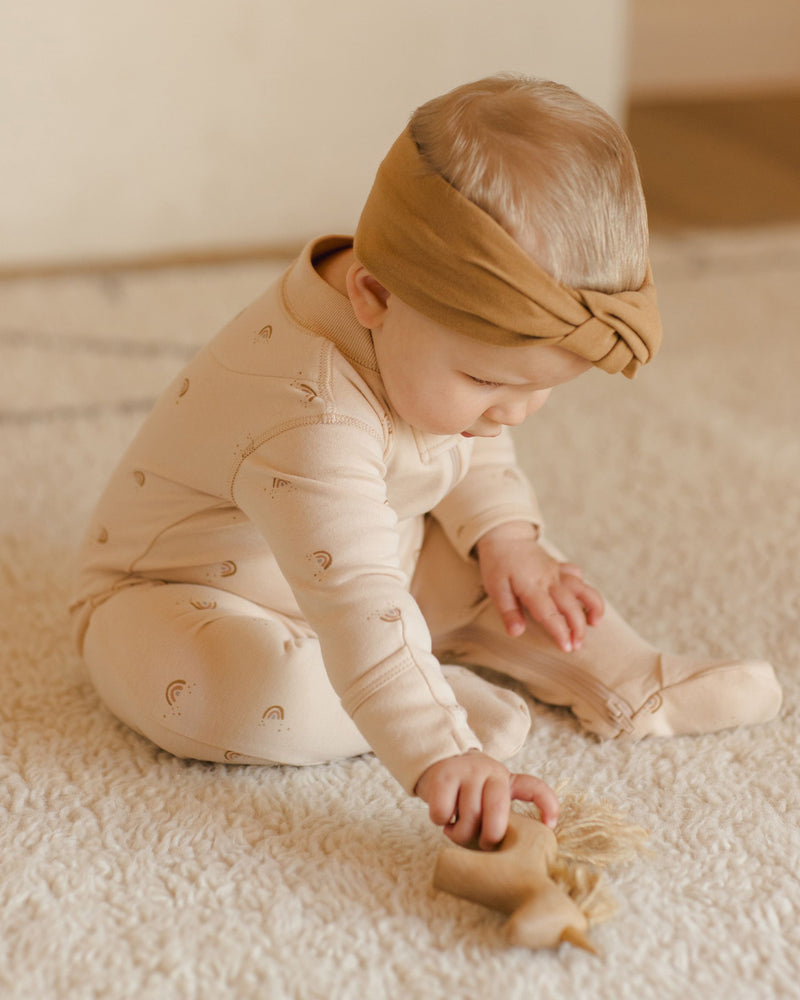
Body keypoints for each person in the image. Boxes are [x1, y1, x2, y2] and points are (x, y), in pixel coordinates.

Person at [70, 75, 782, 851]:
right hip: (184, 596)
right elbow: (355, 597)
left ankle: (637, 679)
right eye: (487, 380)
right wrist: (444, 751)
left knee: (523, 577)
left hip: (374, 544)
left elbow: (469, 440)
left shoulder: (425, 337)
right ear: (372, 297)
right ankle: (419, 691)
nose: (511, 413)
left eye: (539, 388)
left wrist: (508, 535)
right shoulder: (308, 412)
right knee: (228, 696)